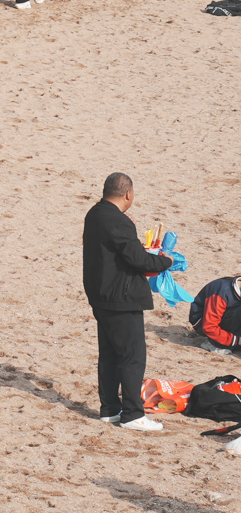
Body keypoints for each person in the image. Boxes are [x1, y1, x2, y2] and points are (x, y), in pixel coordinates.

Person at [83, 173, 174, 430]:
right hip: (120, 299)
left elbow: (120, 248)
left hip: (101, 295)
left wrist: (128, 229)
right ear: (128, 194)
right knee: (132, 356)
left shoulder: (95, 214)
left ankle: (110, 410)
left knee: (110, 355)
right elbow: (140, 260)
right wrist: (166, 261)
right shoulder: (118, 221)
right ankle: (133, 414)